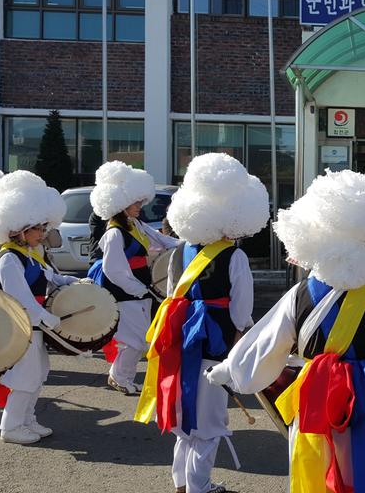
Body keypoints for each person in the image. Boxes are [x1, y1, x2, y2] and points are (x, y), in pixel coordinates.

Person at [205, 168, 365, 493]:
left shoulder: (300, 294)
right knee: (364, 470)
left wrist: (231, 371)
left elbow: (267, 344)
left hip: (313, 394)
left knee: (311, 468)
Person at [134, 153, 266, 493]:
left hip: (178, 336)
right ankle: (198, 485)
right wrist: (240, 337)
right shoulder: (233, 254)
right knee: (209, 420)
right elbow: (242, 307)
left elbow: (170, 291)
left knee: (184, 416)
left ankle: (182, 482)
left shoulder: (180, 250)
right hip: (215, 337)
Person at [0, 171, 82, 445]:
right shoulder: (8, 258)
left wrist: (73, 281)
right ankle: (11, 426)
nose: (43, 233)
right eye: (38, 228)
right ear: (20, 228)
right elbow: (21, 299)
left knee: (38, 374)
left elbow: (49, 277)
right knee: (24, 377)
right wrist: (48, 318)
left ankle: (26, 419)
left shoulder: (27, 254)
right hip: (19, 325)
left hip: (33, 325)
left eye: (43, 227)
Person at [87, 161, 178, 395]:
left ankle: (120, 377)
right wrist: (139, 289)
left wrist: (190, 243)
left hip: (139, 291)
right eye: (136, 202)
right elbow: (113, 270)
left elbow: (164, 241)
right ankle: (119, 377)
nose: (140, 205)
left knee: (136, 340)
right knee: (135, 340)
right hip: (125, 293)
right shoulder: (114, 233)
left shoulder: (135, 224)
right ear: (121, 203)